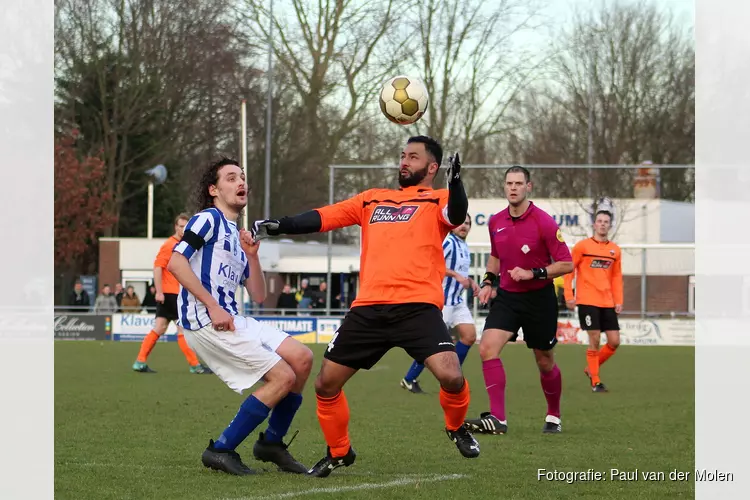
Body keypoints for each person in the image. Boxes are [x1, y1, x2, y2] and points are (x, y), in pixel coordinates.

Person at [252, 136, 479, 478]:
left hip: (418, 308)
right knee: (325, 385)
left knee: (451, 375)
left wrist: (457, 182)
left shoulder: (439, 198)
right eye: (403, 155)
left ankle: (456, 426)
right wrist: (280, 225)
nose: (404, 161)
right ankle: (339, 451)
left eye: (413, 157)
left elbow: (457, 213)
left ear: (432, 168)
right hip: (368, 309)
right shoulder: (371, 198)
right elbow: (325, 217)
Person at [167, 158, 314, 476]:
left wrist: (252, 258)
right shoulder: (207, 219)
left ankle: (271, 444)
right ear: (214, 189)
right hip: (206, 319)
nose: (240, 182)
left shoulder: (237, 235)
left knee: (302, 359)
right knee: (283, 378)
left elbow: (259, 295)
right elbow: (176, 264)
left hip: (232, 316)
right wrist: (212, 306)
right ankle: (221, 449)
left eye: (243, 177)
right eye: (231, 177)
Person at [464, 166, 573, 435]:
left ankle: (554, 415)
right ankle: (498, 419)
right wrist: (489, 281)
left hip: (540, 300)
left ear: (529, 187)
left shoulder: (544, 222)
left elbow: (567, 264)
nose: (513, 188)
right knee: (487, 348)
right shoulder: (495, 221)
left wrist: (534, 273)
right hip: (509, 298)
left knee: (544, 361)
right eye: (509, 183)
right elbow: (496, 256)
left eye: (518, 183)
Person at [400, 213, 480, 393]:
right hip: (443, 300)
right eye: (461, 222)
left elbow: (462, 274)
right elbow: (432, 262)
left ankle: (452, 375)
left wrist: (472, 282)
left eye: (467, 223)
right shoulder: (449, 242)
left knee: (469, 336)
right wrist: (456, 275)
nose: (464, 226)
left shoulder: (464, 246)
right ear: (453, 225)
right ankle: (409, 378)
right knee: (432, 344)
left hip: (457, 301)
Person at [132, 214, 211, 375]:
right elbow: (157, 267)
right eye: (180, 226)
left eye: (185, 226)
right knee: (182, 330)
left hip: (172, 294)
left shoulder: (182, 244)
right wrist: (159, 291)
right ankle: (195, 365)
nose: (183, 229)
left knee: (159, 328)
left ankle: (140, 361)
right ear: (175, 227)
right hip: (171, 294)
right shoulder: (170, 245)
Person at [563, 210, 623, 392]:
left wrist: (618, 299)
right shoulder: (582, 247)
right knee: (594, 338)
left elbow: (616, 277)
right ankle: (596, 381)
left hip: (608, 301)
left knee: (614, 341)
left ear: (609, 225)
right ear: (594, 224)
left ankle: (591, 368)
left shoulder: (615, 250)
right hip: (587, 300)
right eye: (600, 221)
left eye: (606, 221)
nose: (603, 224)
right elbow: (569, 271)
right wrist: (569, 295)